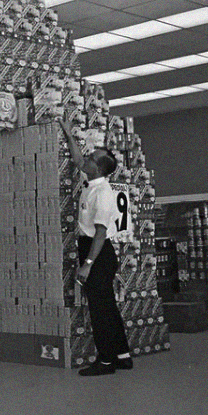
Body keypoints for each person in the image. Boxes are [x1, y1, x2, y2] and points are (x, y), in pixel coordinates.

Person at [58, 118, 132, 376]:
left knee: (100, 310)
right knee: (108, 306)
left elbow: (100, 233)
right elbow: (78, 160)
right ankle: (123, 355)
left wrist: (87, 265)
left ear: (99, 168)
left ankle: (106, 361)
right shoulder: (93, 181)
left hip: (97, 252)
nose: (86, 159)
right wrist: (69, 135)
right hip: (96, 251)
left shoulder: (103, 193)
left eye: (92, 157)